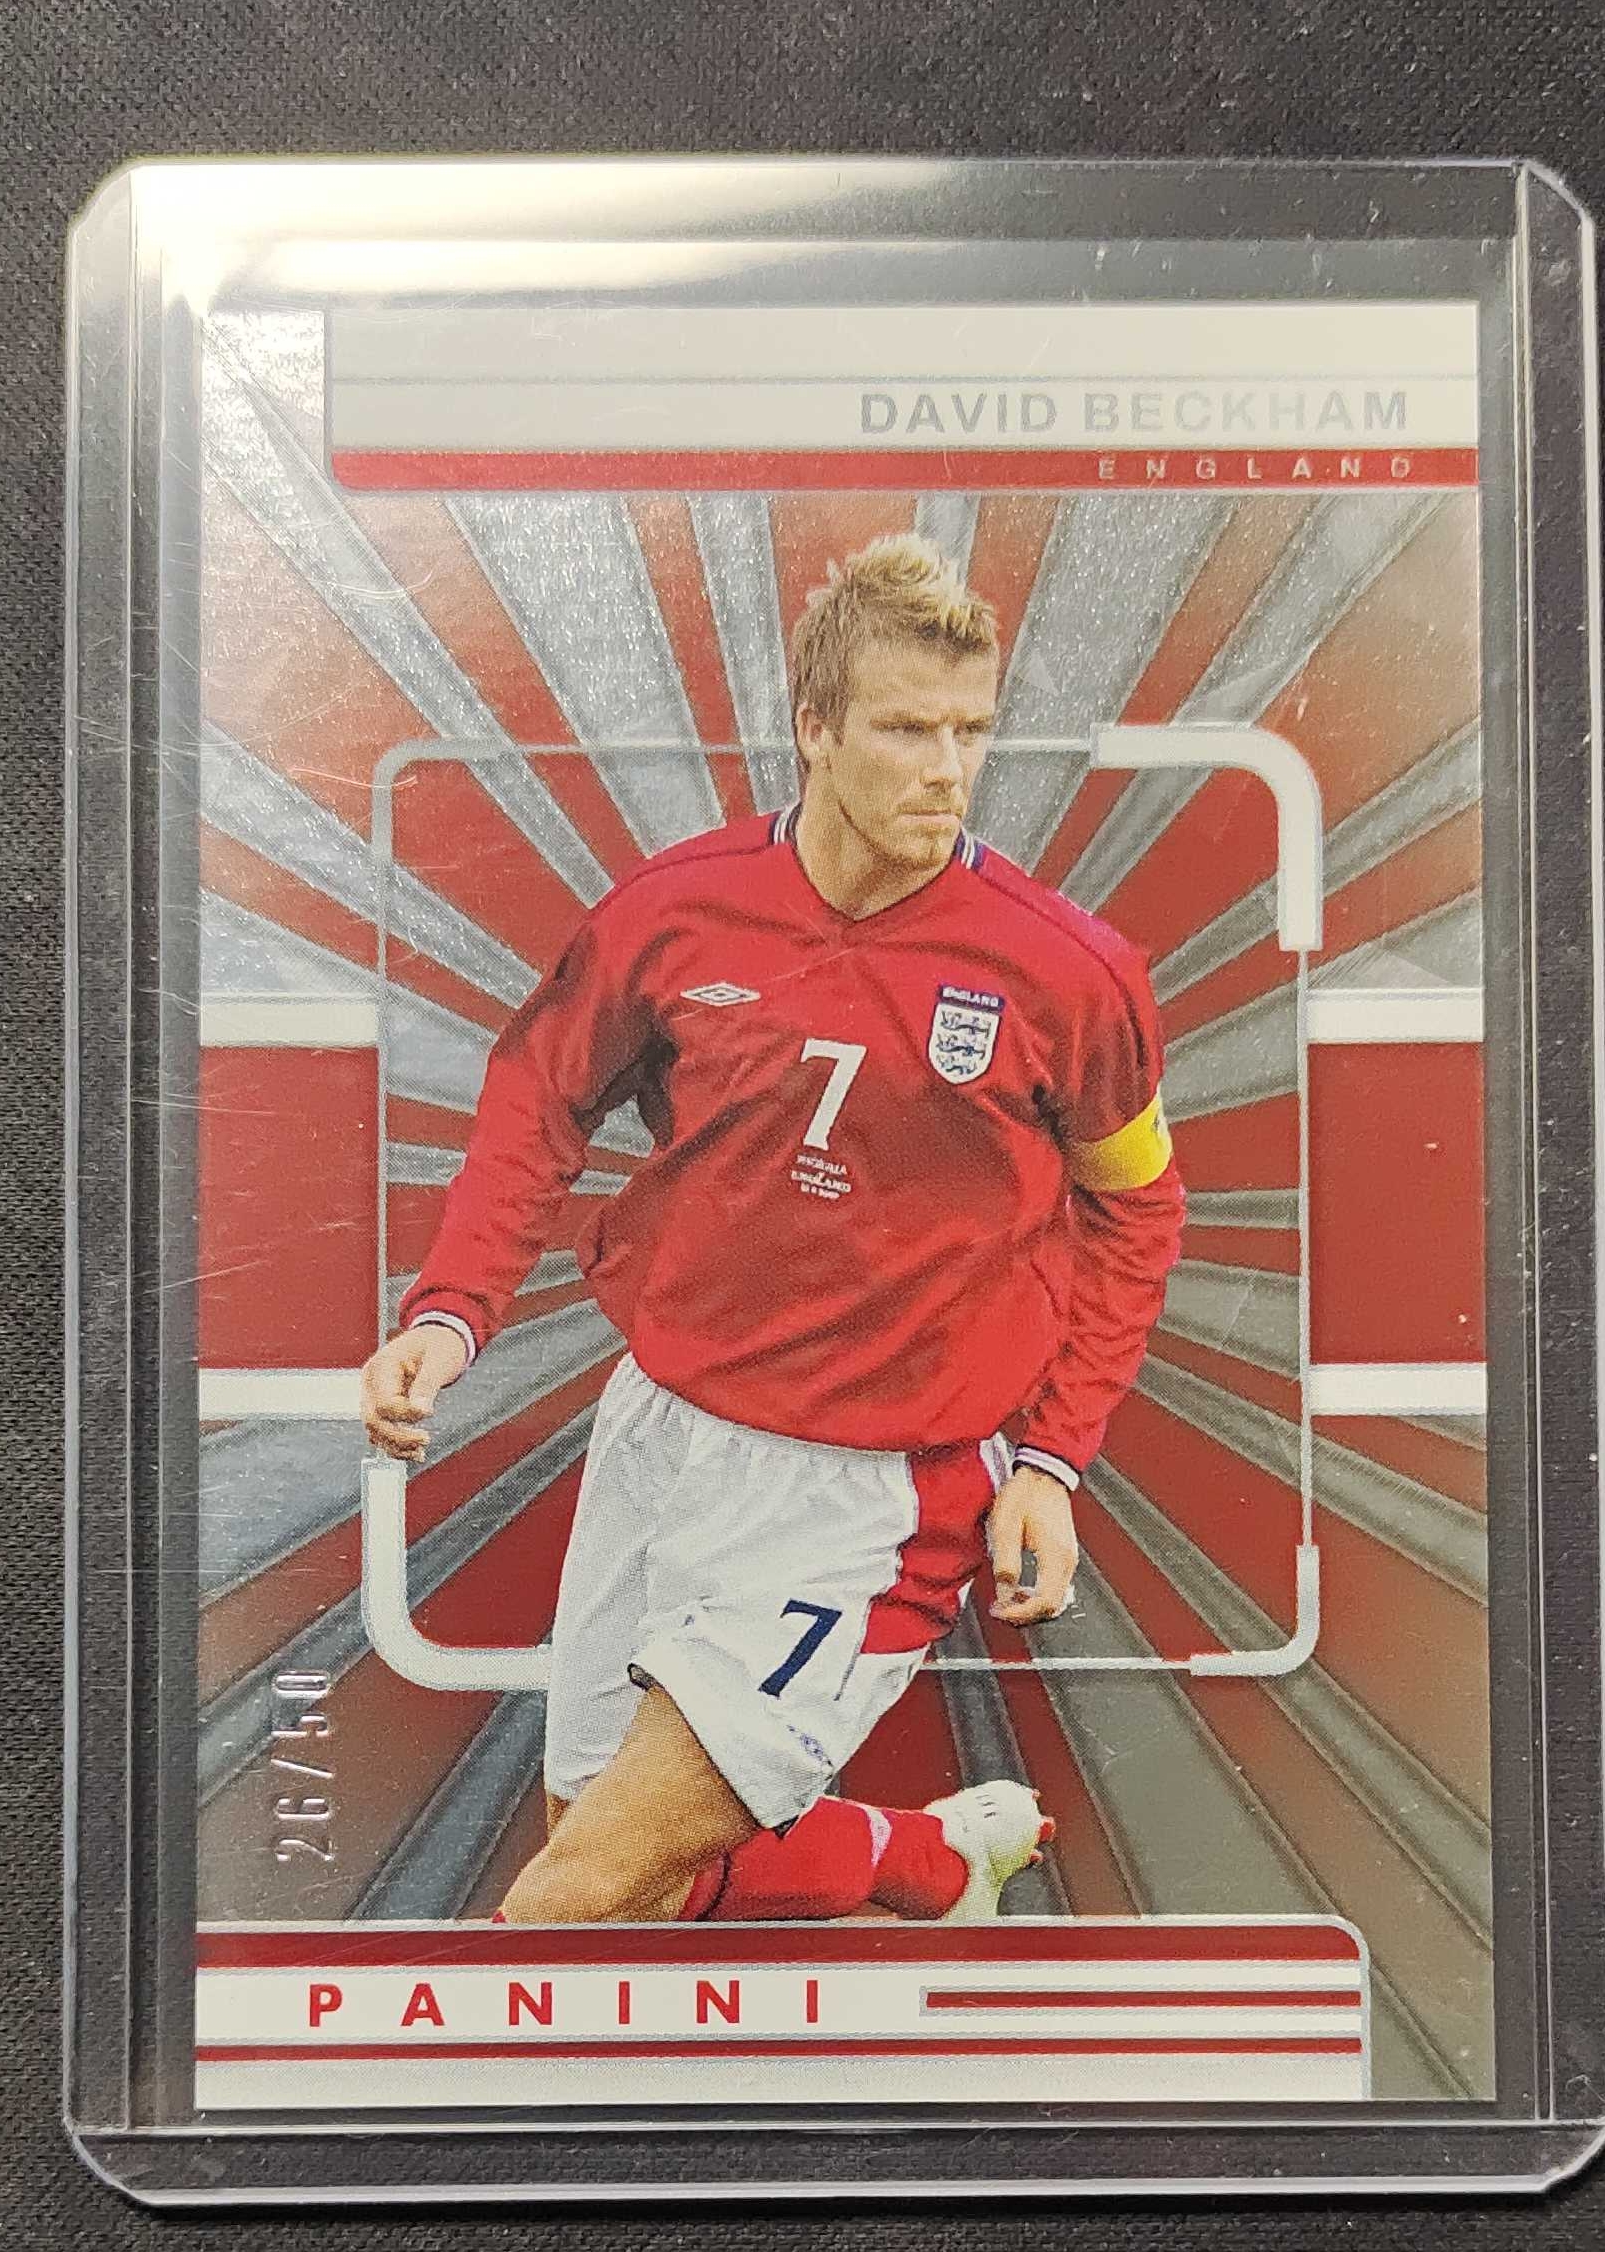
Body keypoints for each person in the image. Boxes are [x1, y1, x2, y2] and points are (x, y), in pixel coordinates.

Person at [359, 533, 1184, 1925]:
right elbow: (539, 1099)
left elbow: (1137, 1208)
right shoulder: (675, 914)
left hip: (873, 1496)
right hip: (665, 1431)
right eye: (906, 729)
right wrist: (449, 1314)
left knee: (572, 1897)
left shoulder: (1067, 974)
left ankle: (435, 2081)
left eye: (970, 731)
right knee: (633, 1878)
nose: (947, 768)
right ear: (814, 728)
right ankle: (922, 1861)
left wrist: (1051, 1458)